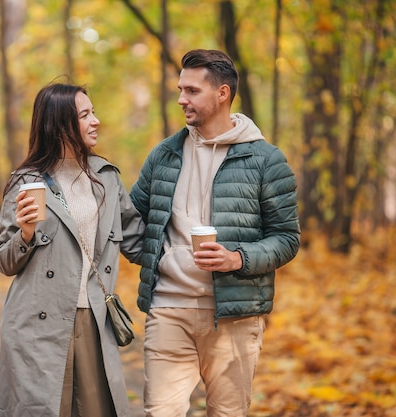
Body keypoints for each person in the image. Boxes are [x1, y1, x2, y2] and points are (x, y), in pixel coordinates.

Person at [129, 49, 301, 416]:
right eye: (180, 89)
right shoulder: (164, 155)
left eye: (191, 90)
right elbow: (132, 221)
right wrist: (153, 256)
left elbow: (287, 238)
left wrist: (237, 258)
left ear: (222, 93)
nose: (181, 99)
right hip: (168, 308)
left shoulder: (266, 161)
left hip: (233, 316)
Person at [0, 83, 145, 417]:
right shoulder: (27, 182)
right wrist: (27, 232)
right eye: (85, 115)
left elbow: (138, 243)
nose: (96, 121)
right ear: (60, 125)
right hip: (37, 326)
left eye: (93, 112)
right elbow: (4, 261)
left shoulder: (106, 177)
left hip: (93, 319)